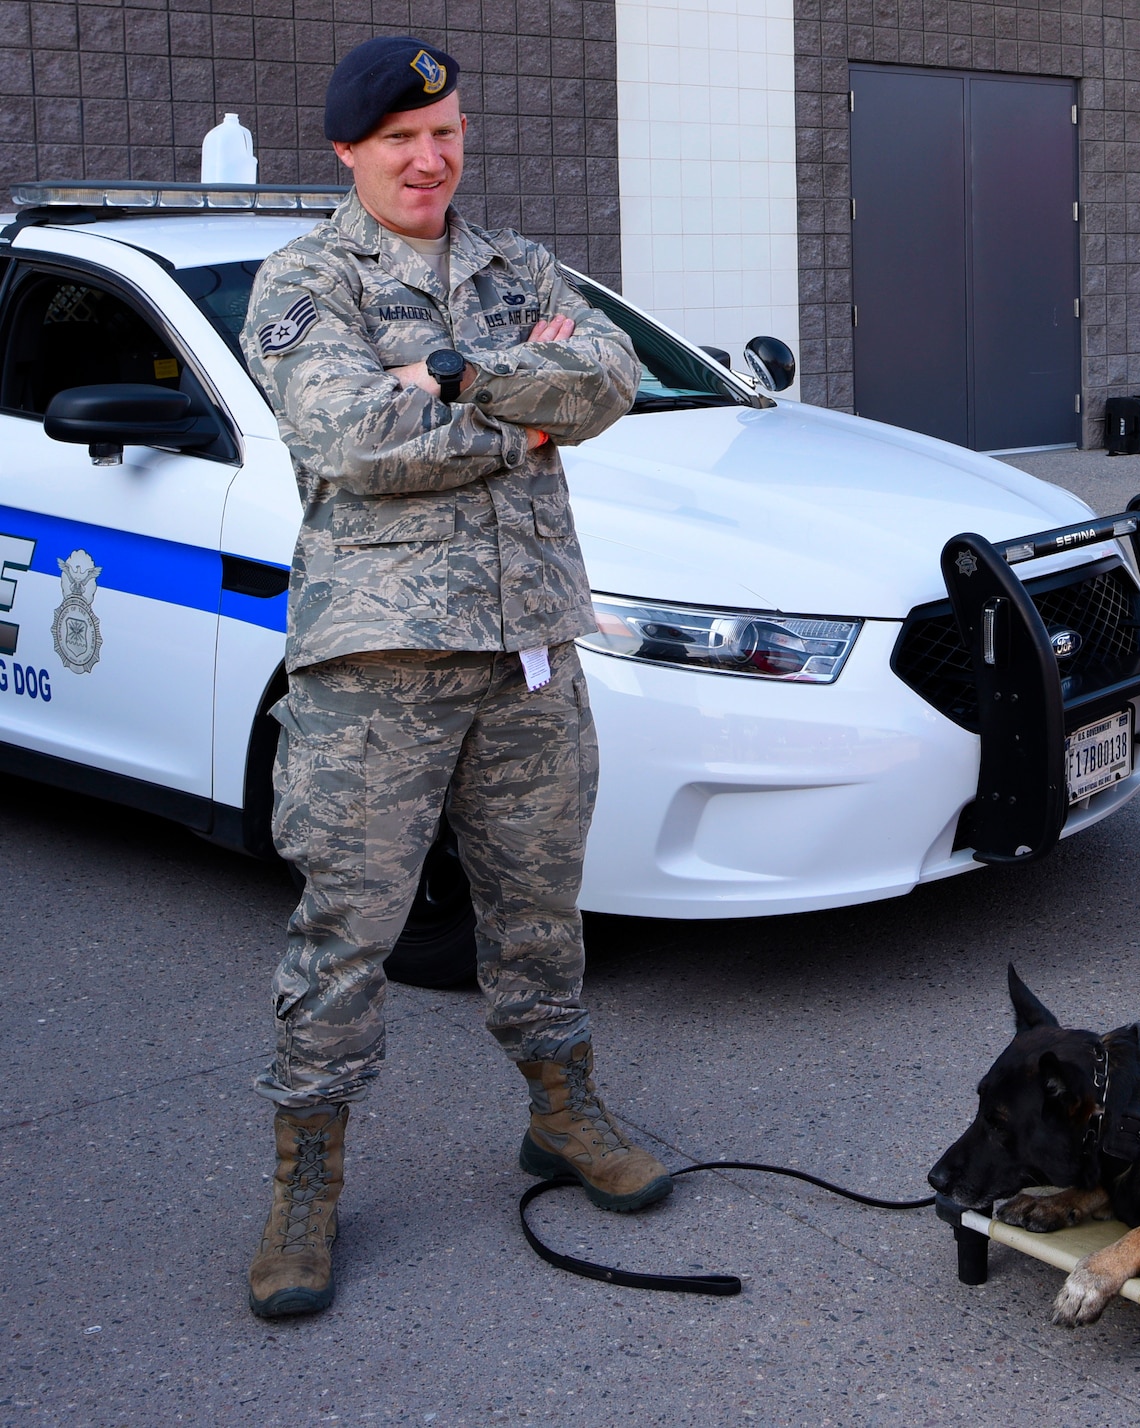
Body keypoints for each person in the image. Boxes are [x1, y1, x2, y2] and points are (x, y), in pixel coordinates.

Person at [239, 35, 666, 1320]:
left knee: (541, 906)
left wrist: (466, 375)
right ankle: (306, 1181)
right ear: (349, 154)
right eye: (399, 142)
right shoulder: (303, 278)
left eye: (446, 133)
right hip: (376, 662)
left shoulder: (516, 266)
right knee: (348, 934)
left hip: (529, 647)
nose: (430, 159)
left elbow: (613, 377)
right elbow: (352, 437)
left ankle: (562, 1111)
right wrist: (524, 416)